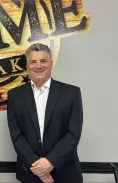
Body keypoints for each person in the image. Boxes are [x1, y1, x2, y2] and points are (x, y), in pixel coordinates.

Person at [7, 43, 83, 183]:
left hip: (65, 173)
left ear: (51, 64)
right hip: (31, 173)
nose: (38, 66)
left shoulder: (71, 93)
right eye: (33, 62)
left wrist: (50, 162)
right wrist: (37, 166)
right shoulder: (15, 96)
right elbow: (16, 136)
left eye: (43, 61)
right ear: (27, 67)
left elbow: (73, 134)